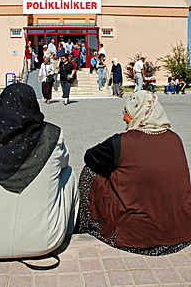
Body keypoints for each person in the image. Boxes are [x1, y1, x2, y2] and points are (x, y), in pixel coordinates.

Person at [0, 84, 79, 259]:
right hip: (45, 242)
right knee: (68, 174)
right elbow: (63, 164)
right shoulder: (52, 135)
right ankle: (68, 230)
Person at [78, 90, 191, 256]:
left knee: (89, 172)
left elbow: (90, 157)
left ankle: (86, 224)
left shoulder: (121, 142)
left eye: (127, 112)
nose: (124, 117)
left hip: (136, 239)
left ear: (136, 113)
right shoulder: (175, 138)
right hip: (181, 233)